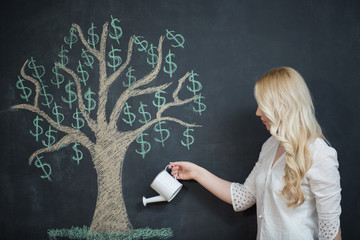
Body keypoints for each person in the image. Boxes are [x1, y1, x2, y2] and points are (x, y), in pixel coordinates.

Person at [169, 67, 342, 240]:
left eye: (263, 105)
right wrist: (196, 172)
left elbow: (331, 232)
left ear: (284, 104)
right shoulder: (270, 145)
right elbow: (245, 197)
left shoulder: (319, 153)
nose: (257, 112)